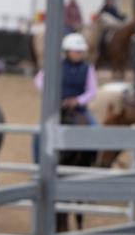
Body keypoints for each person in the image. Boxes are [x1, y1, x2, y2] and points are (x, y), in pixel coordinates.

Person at [31, 32, 98, 161]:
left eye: (80, 51)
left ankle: (92, 164)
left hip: (79, 110)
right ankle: (38, 166)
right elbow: (39, 80)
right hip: (56, 109)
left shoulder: (88, 68)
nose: (78, 53)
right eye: (76, 51)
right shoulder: (55, 64)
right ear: (67, 51)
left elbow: (92, 91)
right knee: (39, 133)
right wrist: (53, 96)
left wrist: (78, 101)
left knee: (96, 131)